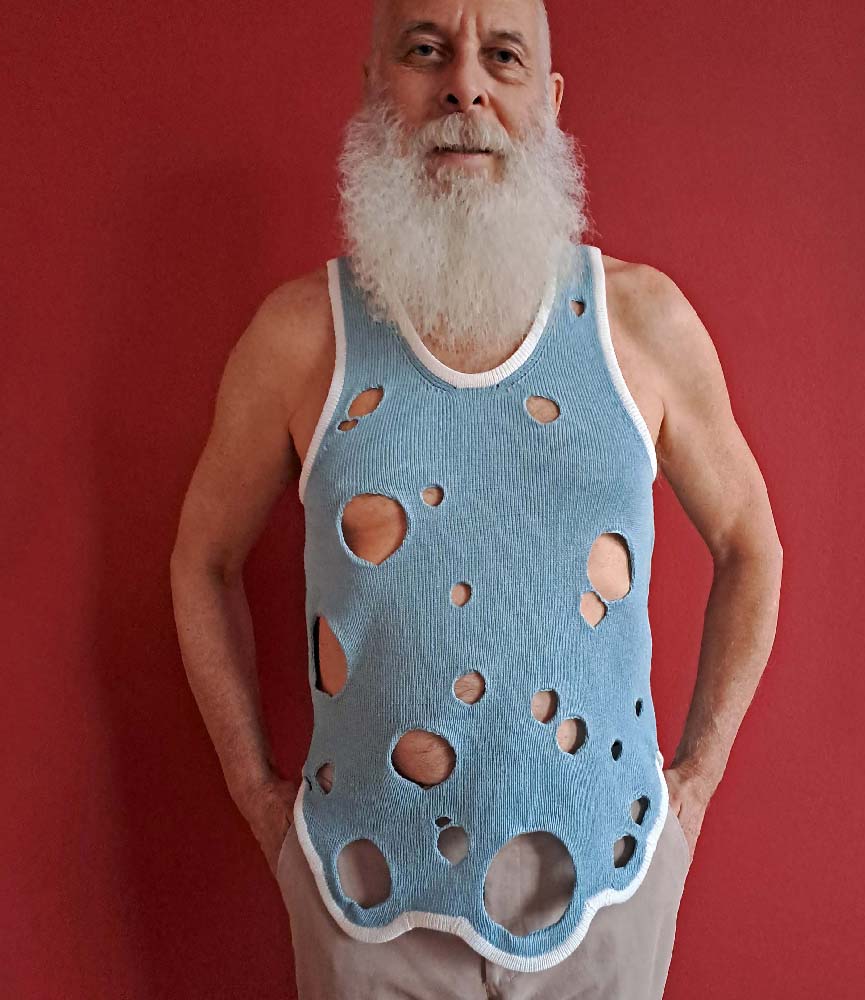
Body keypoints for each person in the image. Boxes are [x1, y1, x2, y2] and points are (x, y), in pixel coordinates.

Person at [169, 1, 784, 997]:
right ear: (376, 86)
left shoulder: (643, 323)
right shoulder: (299, 338)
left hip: (605, 891)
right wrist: (258, 798)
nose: (465, 85)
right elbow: (202, 560)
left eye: (502, 56)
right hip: (365, 893)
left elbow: (752, 543)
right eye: (426, 51)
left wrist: (694, 790)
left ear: (549, 100)